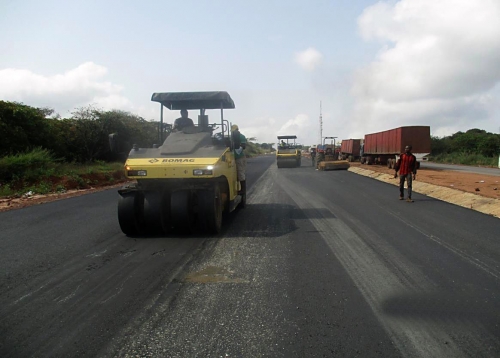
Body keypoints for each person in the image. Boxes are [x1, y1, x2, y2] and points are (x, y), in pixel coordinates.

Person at [231, 124, 247, 195]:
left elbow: (243, 146)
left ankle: (243, 190)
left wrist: (238, 149)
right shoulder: (231, 137)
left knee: (240, 173)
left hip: (239, 157)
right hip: (233, 157)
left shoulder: (241, 136)